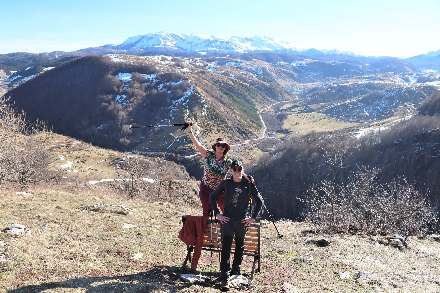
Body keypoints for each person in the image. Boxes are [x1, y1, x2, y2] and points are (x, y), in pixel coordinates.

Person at [209, 160, 263, 291]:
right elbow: (212, 197)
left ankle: (235, 271)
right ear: (231, 171)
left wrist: (252, 218)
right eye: (235, 169)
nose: (237, 172)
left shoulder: (249, 185)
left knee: (240, 246)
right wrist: (218, 214)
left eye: (240, 169)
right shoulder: (225, 183)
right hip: (227, 221)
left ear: (243, 170)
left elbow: (260, 201)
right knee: (226, 248)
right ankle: (225, 278)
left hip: (242, 221)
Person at [186, 123, 233, 217]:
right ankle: (207, 231)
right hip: (206, 189)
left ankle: (228, 231)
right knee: (207, 214)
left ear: (225, 149)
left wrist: (246, 178)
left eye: (223, 146)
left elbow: (237, 171)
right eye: (219, 145)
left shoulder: (228, 162)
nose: (221, 147)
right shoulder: (209, 156)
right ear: (215, 146)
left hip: (220, 191)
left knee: (228, 213)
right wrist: (189, 130)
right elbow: (197, 144)